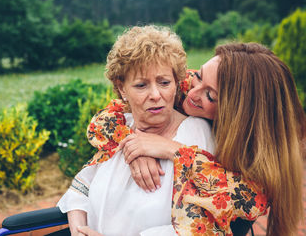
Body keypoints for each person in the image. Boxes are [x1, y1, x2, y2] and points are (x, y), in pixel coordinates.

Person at [57, 26, 268, 236]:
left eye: (164, 82)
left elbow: (199, 227)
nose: (155, 95)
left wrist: (172, 151)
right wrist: (78, 231)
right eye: (141, 85)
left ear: (177, 83)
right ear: (122, 89)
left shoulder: (196, 136)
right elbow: (81, 188)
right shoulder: (120, 128)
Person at [86, 42, 305, 236]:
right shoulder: (186, 87)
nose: (191, 94)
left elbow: (239, 197)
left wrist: (173, 150)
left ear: (243, 115)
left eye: (210, 96)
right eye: (197, 77)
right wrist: (133, 146)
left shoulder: (257, 164)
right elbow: (109, 116)